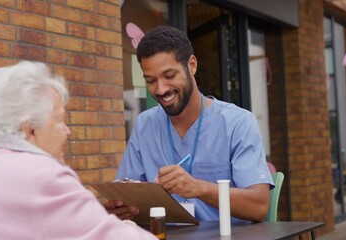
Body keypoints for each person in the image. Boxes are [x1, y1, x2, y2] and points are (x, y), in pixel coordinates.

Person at [116, 26, 274, 222]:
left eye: (169, 75)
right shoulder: (144, 125)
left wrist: (198, 188)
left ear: (191, 65)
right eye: (151, 80)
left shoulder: (237, 123)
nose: (161, 89)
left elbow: (258, 207)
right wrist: (120, 208)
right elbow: (128, 194)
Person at [0, 61, 156, 239]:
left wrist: (92, 216)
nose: (68, 131)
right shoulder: (43, 176)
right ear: (31, 129)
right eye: (59, 120)